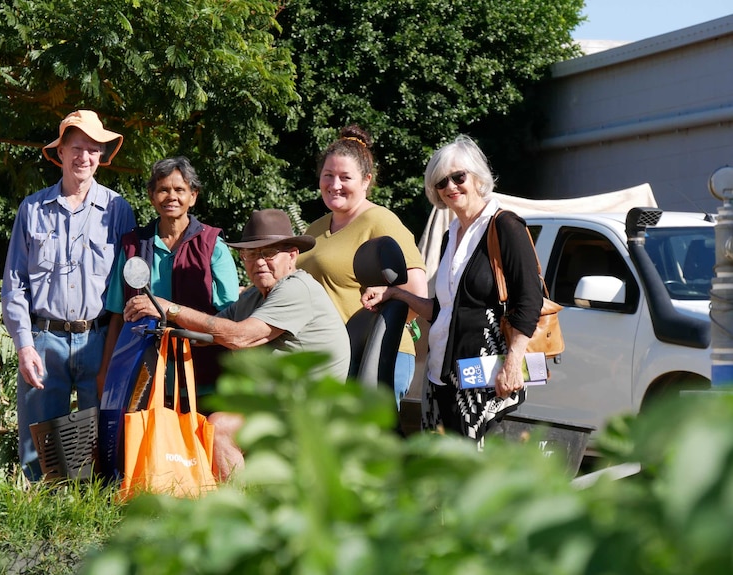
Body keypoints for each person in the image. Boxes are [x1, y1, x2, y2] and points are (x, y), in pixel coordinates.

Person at [123, 208, 351, 480]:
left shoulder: (296, 288)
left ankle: (239, 510)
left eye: (269, 253)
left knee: (220, 427)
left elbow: (239, 336)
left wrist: (168, 307)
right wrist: (162, 325)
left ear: (292, 255)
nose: (259, 262)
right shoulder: (255, 296)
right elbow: (212, 330)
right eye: (252, 254)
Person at [361, 135, 542, 444]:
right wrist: (396, 294)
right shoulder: (451, 235)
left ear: (478, 178)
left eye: (459, 177)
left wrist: (513, 365)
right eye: (441, 182)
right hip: (440, 375)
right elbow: (445, 309)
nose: (450, 187)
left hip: (485, 379)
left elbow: (530, 300)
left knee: (473, 476)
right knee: (439, 472)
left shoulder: (505, 226)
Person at [1, 110, 136, 481]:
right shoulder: (32, 209)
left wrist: (120, 344)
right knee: (38, 439)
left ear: (101, 156)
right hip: (44, 338)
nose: (85, 157)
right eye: (77, 147)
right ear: (59, 152)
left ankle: (96, 512)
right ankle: (38, 512)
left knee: (103, 434)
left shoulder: (118, 210)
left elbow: (129, 284)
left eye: (93, 149)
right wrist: (24, 345)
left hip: (98, 338)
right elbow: (14, 282)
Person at [296, 125, 427, 409]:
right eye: (328, 175)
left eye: (345, 177)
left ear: (366, 180)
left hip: (374, 357)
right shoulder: (315, 228)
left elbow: (417, 293)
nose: (335, 184)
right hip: (327, 360)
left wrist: (376, 327)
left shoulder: (380, 220)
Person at [98, 156, 239, 402]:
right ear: (152, 196)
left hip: (202, 376)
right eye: (163, 189)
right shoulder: (133, 245)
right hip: (144, 377)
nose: (171, 196)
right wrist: (106, 371)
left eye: (179, 190)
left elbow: (229, 314)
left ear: (193, 196)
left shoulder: (212, 245)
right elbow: (118, 316)